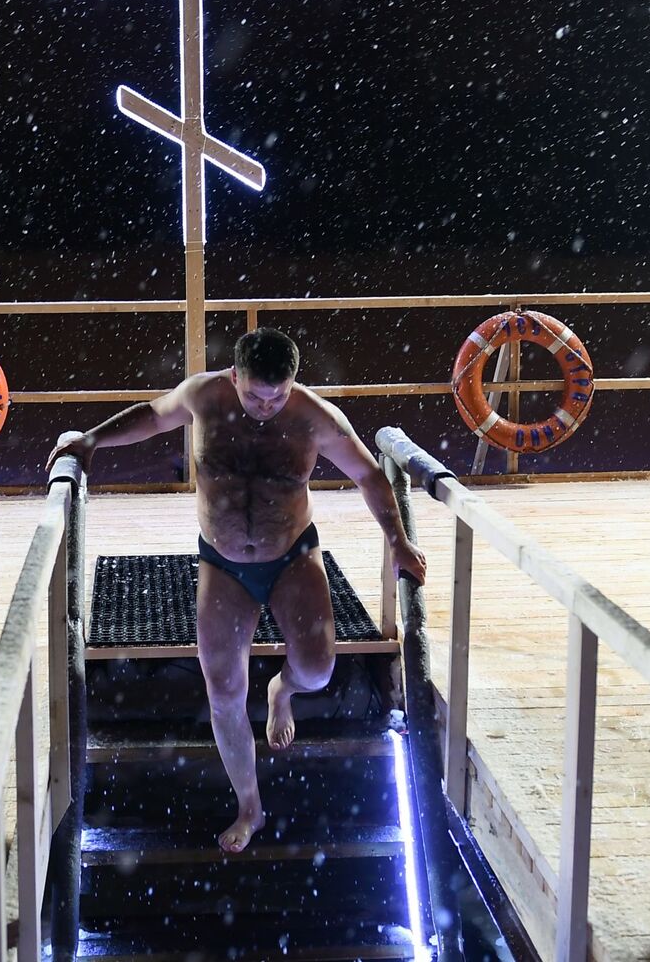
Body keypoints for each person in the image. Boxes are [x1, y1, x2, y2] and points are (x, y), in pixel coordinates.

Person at [47, 328, 427, 852]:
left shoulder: (315, 417)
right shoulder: (204, 395)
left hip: (292, 554)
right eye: (254, 395)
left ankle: (282, 690)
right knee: (224, 691)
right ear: (234, 376)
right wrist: (90, 439)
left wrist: (398, 541)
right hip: (223, 562)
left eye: (277, 396)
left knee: (317, 670)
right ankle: (250, 807)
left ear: (293, 384)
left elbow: (368, 475)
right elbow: (153, 415)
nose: (265, 407)